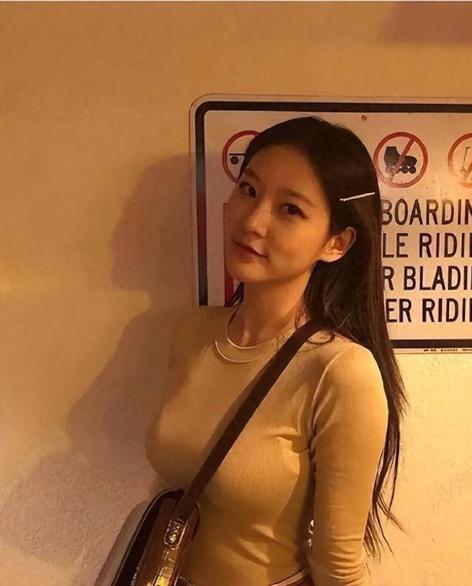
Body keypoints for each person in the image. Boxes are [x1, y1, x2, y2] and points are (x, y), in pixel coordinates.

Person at [146, 116, 407, 586]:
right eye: (248, 190)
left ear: (337, 242)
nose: (253, 221)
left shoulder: (339, 371)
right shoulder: (192, 332)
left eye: (290, 209)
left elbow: (338, 566)